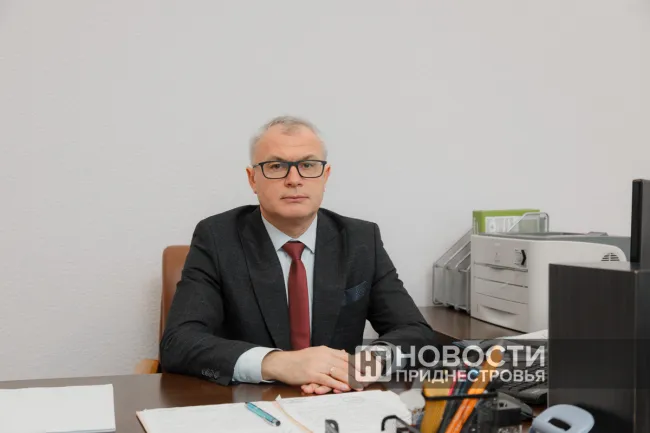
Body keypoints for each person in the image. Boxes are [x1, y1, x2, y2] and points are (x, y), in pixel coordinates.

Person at [159, 116, 439, 394]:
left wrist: (366, 364)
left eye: (307, 165)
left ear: (325, 176)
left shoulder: (361, 240)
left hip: (338, 400)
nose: (294, 180)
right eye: (276, 166)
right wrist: (276, 363)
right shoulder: (217, 238)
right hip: (251, 402)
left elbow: (416, 332)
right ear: (253, 179)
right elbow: (178, 342)